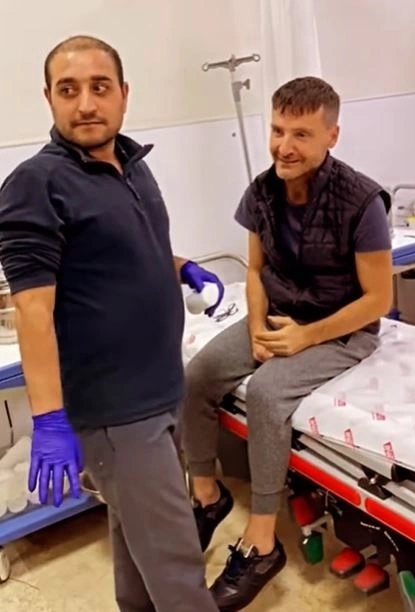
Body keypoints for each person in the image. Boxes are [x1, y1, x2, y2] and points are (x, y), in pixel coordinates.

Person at [0, 35, 223, 612]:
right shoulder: (37, 183)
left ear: (124, 94)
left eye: (99, 87)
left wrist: (181, 267)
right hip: (118, 412)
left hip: (162, 390)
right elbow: (33, 310)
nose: (86, 104)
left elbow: (125, 253)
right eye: (68, 90)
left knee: (139, 548)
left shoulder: (131, 165)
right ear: (48, 98)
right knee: (177, 568)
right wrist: (49, 419)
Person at [182, 76, 393, 611]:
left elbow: (378, 299)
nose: (284, 146)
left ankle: (261, 542)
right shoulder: (262, 191)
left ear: (332, 136)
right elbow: (255, 270)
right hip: (278, 314)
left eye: (301, 134)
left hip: (343, 328)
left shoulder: (362, 201)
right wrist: (257, 325)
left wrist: (306, 337)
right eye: (278, 130)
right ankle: (206, 495)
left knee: (267, 393)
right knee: (197, 376)